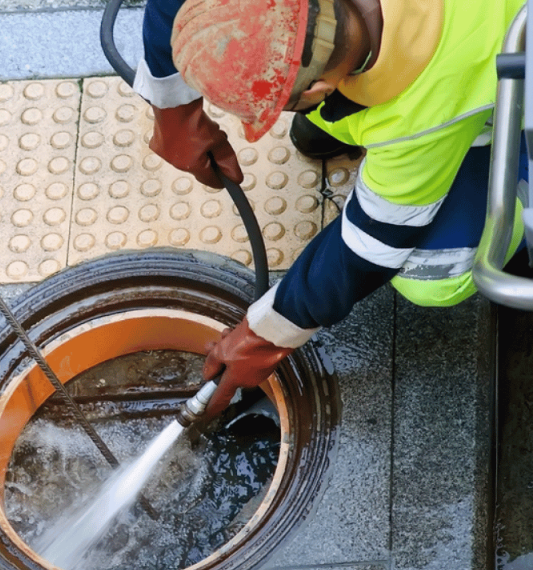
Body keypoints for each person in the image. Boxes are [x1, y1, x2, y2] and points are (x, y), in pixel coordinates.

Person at [139, 0, 527, 418]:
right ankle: (344, 110)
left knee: (433, 274)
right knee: (323, 113)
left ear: (318, 90)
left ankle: (513, 186)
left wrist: (265, 337)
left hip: (511, 77)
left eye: (289, 103)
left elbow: (370, 246)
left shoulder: (422, 115)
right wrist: (173, 112)